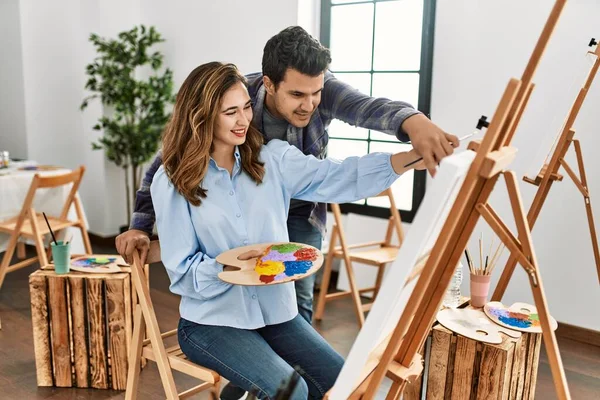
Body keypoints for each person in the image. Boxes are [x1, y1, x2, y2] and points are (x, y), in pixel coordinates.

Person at [151, 61, 425, 399]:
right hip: (211, 321)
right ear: (201, 115)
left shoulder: (272, 160)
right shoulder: (172, 181)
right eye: (229, 112)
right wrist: (228, 267)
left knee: (345, 384)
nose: (243, 120)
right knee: (292, 392)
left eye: (247, 108)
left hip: (274, 314)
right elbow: (180, 272)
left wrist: (407, 160)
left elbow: (334, 176)